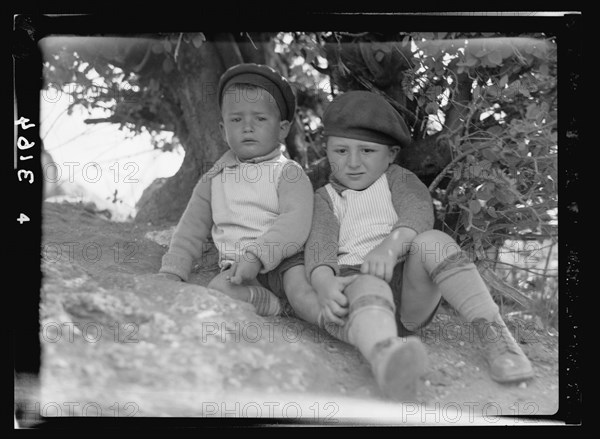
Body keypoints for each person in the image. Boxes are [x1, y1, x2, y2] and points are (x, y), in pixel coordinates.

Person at [302, 90, 534, 401]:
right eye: (341, 150)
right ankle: (386, 359)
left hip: (410, 294)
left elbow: (418, 212)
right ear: (327, 152)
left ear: (391, 154)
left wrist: (390, 247)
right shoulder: (324, 198)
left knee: (434, 242)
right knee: (366, 284)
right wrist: (323, 282)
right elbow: (319, 243)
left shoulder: (400, 180)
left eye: (368, 151)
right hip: (359, 293)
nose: (353, 163)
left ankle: (496, 336)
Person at [158, 63, 315, 317]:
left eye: (260, 118)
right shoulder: (215, 178)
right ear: (223, 130)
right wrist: (172, 270)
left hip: (286, 263)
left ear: (283, 129)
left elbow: (295, 221)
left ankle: (332, 322)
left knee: (302, 292)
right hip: (238, 270)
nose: (247, 127)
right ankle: (272, 304)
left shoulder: (288, 172)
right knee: (218, 290)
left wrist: (257, 256)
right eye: (236, 119)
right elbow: (191, 228)